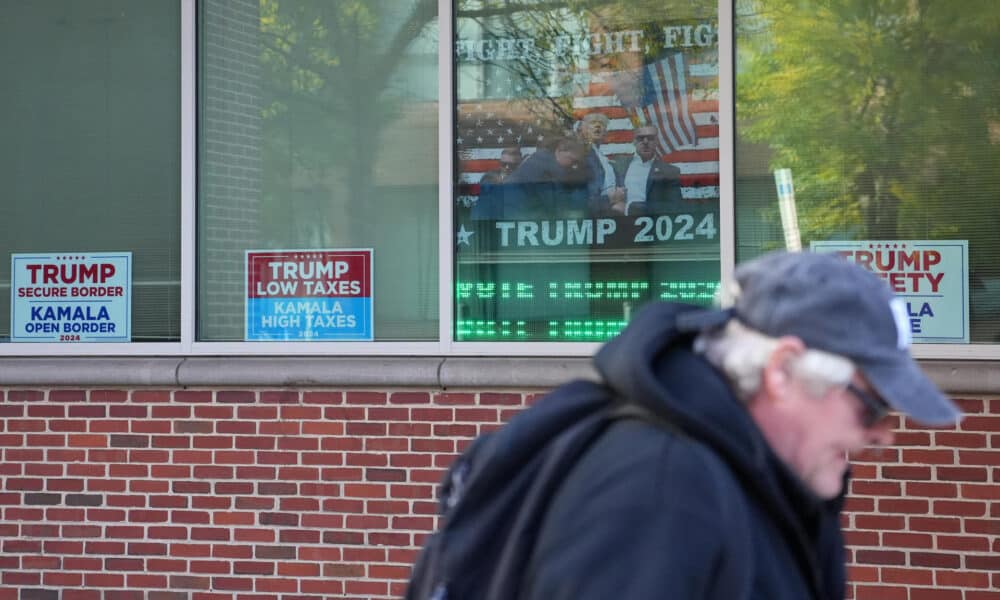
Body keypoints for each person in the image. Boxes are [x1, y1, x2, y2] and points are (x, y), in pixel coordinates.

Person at [519, 250, 962, 599]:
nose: (882, 436)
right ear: (781, 371)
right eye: (871, 407)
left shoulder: (768, 482)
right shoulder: (660, 493)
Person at [501, 136, 590, 220]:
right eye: (573, 160)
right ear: (559, 151)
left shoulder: (543, 157)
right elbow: (555, 202)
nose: (574, 165)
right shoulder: (549, 167)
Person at [608, 125, 683, 216]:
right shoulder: (618, 164)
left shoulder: (670, 171)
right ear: (634, 141)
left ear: (657, 142)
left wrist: (629, 208)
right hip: (619, 224)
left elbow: (674, 206)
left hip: (653, 225)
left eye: (650, 138)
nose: (645, 142)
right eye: (640, 138)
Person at [578, 112, 621, 212]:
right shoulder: (582, 153)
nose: (598, 125)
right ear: (584, 130)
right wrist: (609, 199)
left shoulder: (604, 158)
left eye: (601, 124)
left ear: (605, 132)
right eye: (593, 123)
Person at [472, 147, 523, 220]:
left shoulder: (525, 179)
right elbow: (484, 203)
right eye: (504, 164)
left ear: (519, 165)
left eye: (512, 165)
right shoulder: (489, 178)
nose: (507, 167)